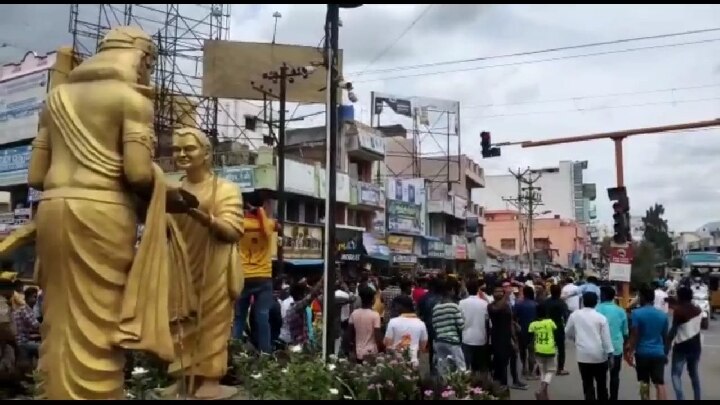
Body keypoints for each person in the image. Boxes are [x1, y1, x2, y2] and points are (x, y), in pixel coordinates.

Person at [235, 194, 277, 353]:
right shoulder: (269, 224)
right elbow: (267, 231)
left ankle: (235, 352)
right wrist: (259, 212)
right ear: (262, 207)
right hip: (263, 277)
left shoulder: (240, 225)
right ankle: (265, 354)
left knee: (239, 317)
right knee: (262, 317)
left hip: (244, 276)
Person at [565, 292, 614, 401]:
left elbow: (567, 332)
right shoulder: (601, 318)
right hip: (599, 356)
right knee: (601, 383)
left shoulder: (575, 315)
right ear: (596, 302)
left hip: (583, 356)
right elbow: (606, 339)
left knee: (587, 384)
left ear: (583, 302)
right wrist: (610, 355)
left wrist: (576, 338)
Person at [625, 286, 669, 401]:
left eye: (639, 296)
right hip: (658, 352)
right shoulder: (663, 315)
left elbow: (635, 334)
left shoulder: (637, 313)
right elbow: (665, 337)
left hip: (642, 353)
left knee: (644, 382)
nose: (639, 299)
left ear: (643, 298)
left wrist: (630, 351)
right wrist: (665, 353)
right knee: (659, 383)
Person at [666, 286, 701, 400]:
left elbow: (673, 331)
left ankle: (680, 398)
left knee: (676, 375)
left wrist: (666, 350)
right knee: (694, 375)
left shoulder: (679, 311)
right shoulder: (698, 310)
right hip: (696, 347)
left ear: (681, 297)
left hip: (681, 347)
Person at [488, 284, 526, 390]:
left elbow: (510, 321)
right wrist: (506, 296)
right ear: (493, 294)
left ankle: (516, 380)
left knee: (514, 358)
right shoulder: (491, 306)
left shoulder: (507, 305)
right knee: (501, 361)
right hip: (498, 337)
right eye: (497, 291)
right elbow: (498, 308)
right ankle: (502, 383)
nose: (499, 293)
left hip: (508, 336)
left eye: (501, 291)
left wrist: (514, 338)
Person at [596, 286, 629, 401]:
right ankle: (613, 397)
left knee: (601, 376)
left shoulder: (596, 309)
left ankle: (602, 397)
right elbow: (625, 332)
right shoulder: (620, 311)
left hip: (599, 348)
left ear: (604, 295)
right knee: (615, 375)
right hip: (616, 348)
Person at [431, 278, 466, 375]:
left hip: (439, 342)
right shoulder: (454, 307)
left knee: (443, 370)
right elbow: (461, 326)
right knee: (461, 369)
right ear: (451, 290)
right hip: (452, 342)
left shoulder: (436, 307)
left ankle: (444, 388)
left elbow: (434, 326)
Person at [384, 295, 428, 365]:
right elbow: (423, 346)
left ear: (399, 306)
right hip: (413, 362)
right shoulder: (421, 324)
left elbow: (387, 344)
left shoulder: (393, 322)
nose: (393, 309)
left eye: (394, 306)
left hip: (396, 362)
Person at [459, 278, 490, 372]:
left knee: (466, 368)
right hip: (481, 338)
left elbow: (460, 320)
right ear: (478, 289)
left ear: (467, 289)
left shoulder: (462, 303)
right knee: (480, 367)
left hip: (466, 338)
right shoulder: (484, 304)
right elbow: (487, 321)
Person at [346, 285, 382, 363]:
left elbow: (350, 334)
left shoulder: (354, 313)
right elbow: (377, 336)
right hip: (371, 353)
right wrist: (382, 350)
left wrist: (351, 349)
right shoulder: (375, 315)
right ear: (373, 300)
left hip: (357, 352)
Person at [528, 304, 557, 400]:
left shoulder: (533, 324)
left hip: (538, 349)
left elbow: (530, 335)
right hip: (549, 349)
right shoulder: (550, 322)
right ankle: (542, 389)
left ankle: (544, 395)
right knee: (551, 370)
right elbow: (555, 329)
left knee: (542, 372)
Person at [543, 284, 569, 376]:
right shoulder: (562, 303)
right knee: (561, 349)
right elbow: (566, 315)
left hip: (546, 326)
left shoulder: (545, 302)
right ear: (559, 292)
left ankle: (543, 367)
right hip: (558, 326)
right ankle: (560, 368)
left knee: (546, 346)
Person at [418, 276, 443, 371]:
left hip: (428, 326)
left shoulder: (424, 298)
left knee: (432, 350)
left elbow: (420, 313)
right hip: (440, 327)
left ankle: (432, 370)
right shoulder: (442, 298)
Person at [514, 286, 539, 379]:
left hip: (521, 330)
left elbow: (514, 316)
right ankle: (531, 370)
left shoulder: (519, 304)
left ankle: (524, 366)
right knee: (532, 351)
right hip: (533, 330)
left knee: (522, 350)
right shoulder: (536, 305)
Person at [12, 287, 40, 359]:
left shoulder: (22, 309)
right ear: (27, 298)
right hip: (22, 342)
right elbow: (36, 326)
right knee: (46, 349)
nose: (36, 300)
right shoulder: (26, 310)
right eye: (34, 297)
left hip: (20, 340)